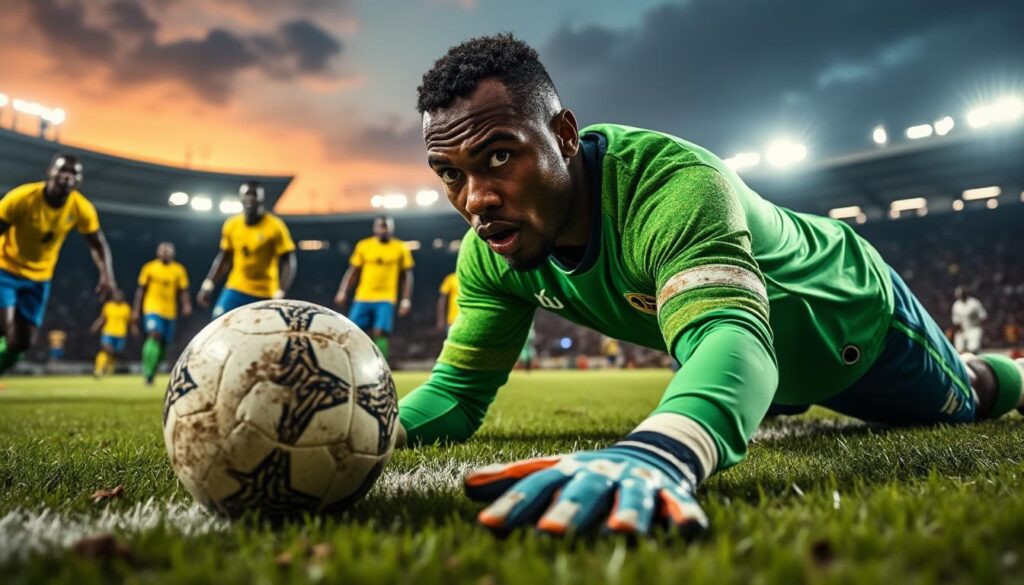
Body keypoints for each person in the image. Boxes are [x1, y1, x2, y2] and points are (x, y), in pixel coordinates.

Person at [397, 34, 1024, 538]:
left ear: (564, 135)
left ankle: (1002, 370)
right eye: (450, 172)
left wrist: (662, 453)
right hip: (737, 361)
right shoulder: (493, 250)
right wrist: (370, 425)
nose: (475, 199)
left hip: (849, 323)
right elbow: (457, 390)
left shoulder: (672, 187)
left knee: (969, 399)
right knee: (744, 379)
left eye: (500, 157)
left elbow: (734, 335)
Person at [0, 153, 118, 374]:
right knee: (3, 326)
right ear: (50, 172)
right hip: (5, 269)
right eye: (63, 170)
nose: (67, 177)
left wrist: (107, 276)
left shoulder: (81, 208)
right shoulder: (22, 198)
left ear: (79, 180)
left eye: (74, 173)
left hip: (39, 278)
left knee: (21, 342)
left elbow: (98, 244)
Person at [196, 182, 296, 318]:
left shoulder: (275, 226)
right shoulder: (231, 225)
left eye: (254, 194)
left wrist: (281, 291)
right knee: (219, 322)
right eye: (246, 194)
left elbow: (288, 262)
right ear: (241, 198)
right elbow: (224, 258)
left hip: (265, 292)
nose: (250, 198)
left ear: (261, 198)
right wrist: (208, 284)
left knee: (264, 335)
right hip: (237, 288)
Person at [334, 216, 414, 359]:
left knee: (381, 332)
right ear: (375, 228)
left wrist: (406, 299)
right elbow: (353, 271)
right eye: (381, 226)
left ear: (392, 228)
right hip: (363, 296)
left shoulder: (400, 247)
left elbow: (406, 276)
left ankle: (381, 365)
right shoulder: (364, 245)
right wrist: (342, 291)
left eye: (387, 226)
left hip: (386, 297)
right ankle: (352, 360)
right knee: (353, 329)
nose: (384, 229)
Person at [135, 242, 191, 384]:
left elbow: (183, 290)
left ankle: (152, 371)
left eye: (168, 251)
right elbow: (141, 289)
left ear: (173, 253)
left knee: (164, 345)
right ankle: (147, 372)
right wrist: (136, 310)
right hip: (152, 308)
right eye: (163, 250)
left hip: (170, 312)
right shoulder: (149, 268)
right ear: (158, 252)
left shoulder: (179, 270)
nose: (165, 253)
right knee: (154, 334)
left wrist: (186, 304)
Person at [91, 290, 133, 377]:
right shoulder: (108, 306)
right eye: (116, 295)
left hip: (121, 334)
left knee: (115, 354)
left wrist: (134, 330)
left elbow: (130, 322)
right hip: (108, 333)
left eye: (120, 295)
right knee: (106, 350)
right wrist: (96, 325)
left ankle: (108, 370)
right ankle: (98, 369)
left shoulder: (126, 308)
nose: (118, 297)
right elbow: (103, 318)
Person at [952, 286, 987, 354]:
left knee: (973, 348)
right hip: (962, 329)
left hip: (974, 328)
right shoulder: (956, 305)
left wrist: (982, 329)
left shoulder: (974, 303)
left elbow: (983, 317)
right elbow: (956, 321)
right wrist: (959, 331)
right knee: (959, 349)